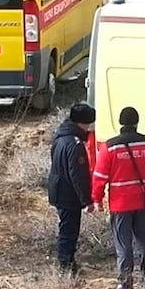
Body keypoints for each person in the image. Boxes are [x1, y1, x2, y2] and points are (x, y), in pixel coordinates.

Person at [92, 106, 145, 289]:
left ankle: (126, 282)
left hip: (120, 204)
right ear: (137, 122)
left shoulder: (110, 147)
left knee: (123, 243)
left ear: (120, 123)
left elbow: (99, 177)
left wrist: (97, 200)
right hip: (143, 202)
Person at [47, 103, 95, 278]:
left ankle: (67, 262)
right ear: (81, 123)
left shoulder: (60, 138)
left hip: (58, 190)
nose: (89, 128)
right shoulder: (74, 144)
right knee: (69, 231)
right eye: (88, 124)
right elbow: (78, 175)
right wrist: (87, 200)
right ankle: (66, 265)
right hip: (68, 194)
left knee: (66, 228)